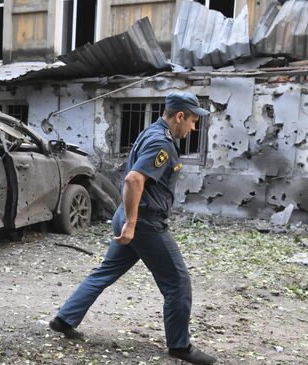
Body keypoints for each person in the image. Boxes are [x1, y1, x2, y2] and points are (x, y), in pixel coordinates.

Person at [49, 92, 217, 365]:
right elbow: (133, 179)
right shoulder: (161, 143)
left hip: (131, 217)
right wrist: (132, 223)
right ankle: (180, 346)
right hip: (145, 223)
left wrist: (127, 219)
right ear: (179, 116)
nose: (193, 128)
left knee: (105, 271)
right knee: (178, 283)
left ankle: (64, 319)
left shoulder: (152, 131)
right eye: (193, 121)